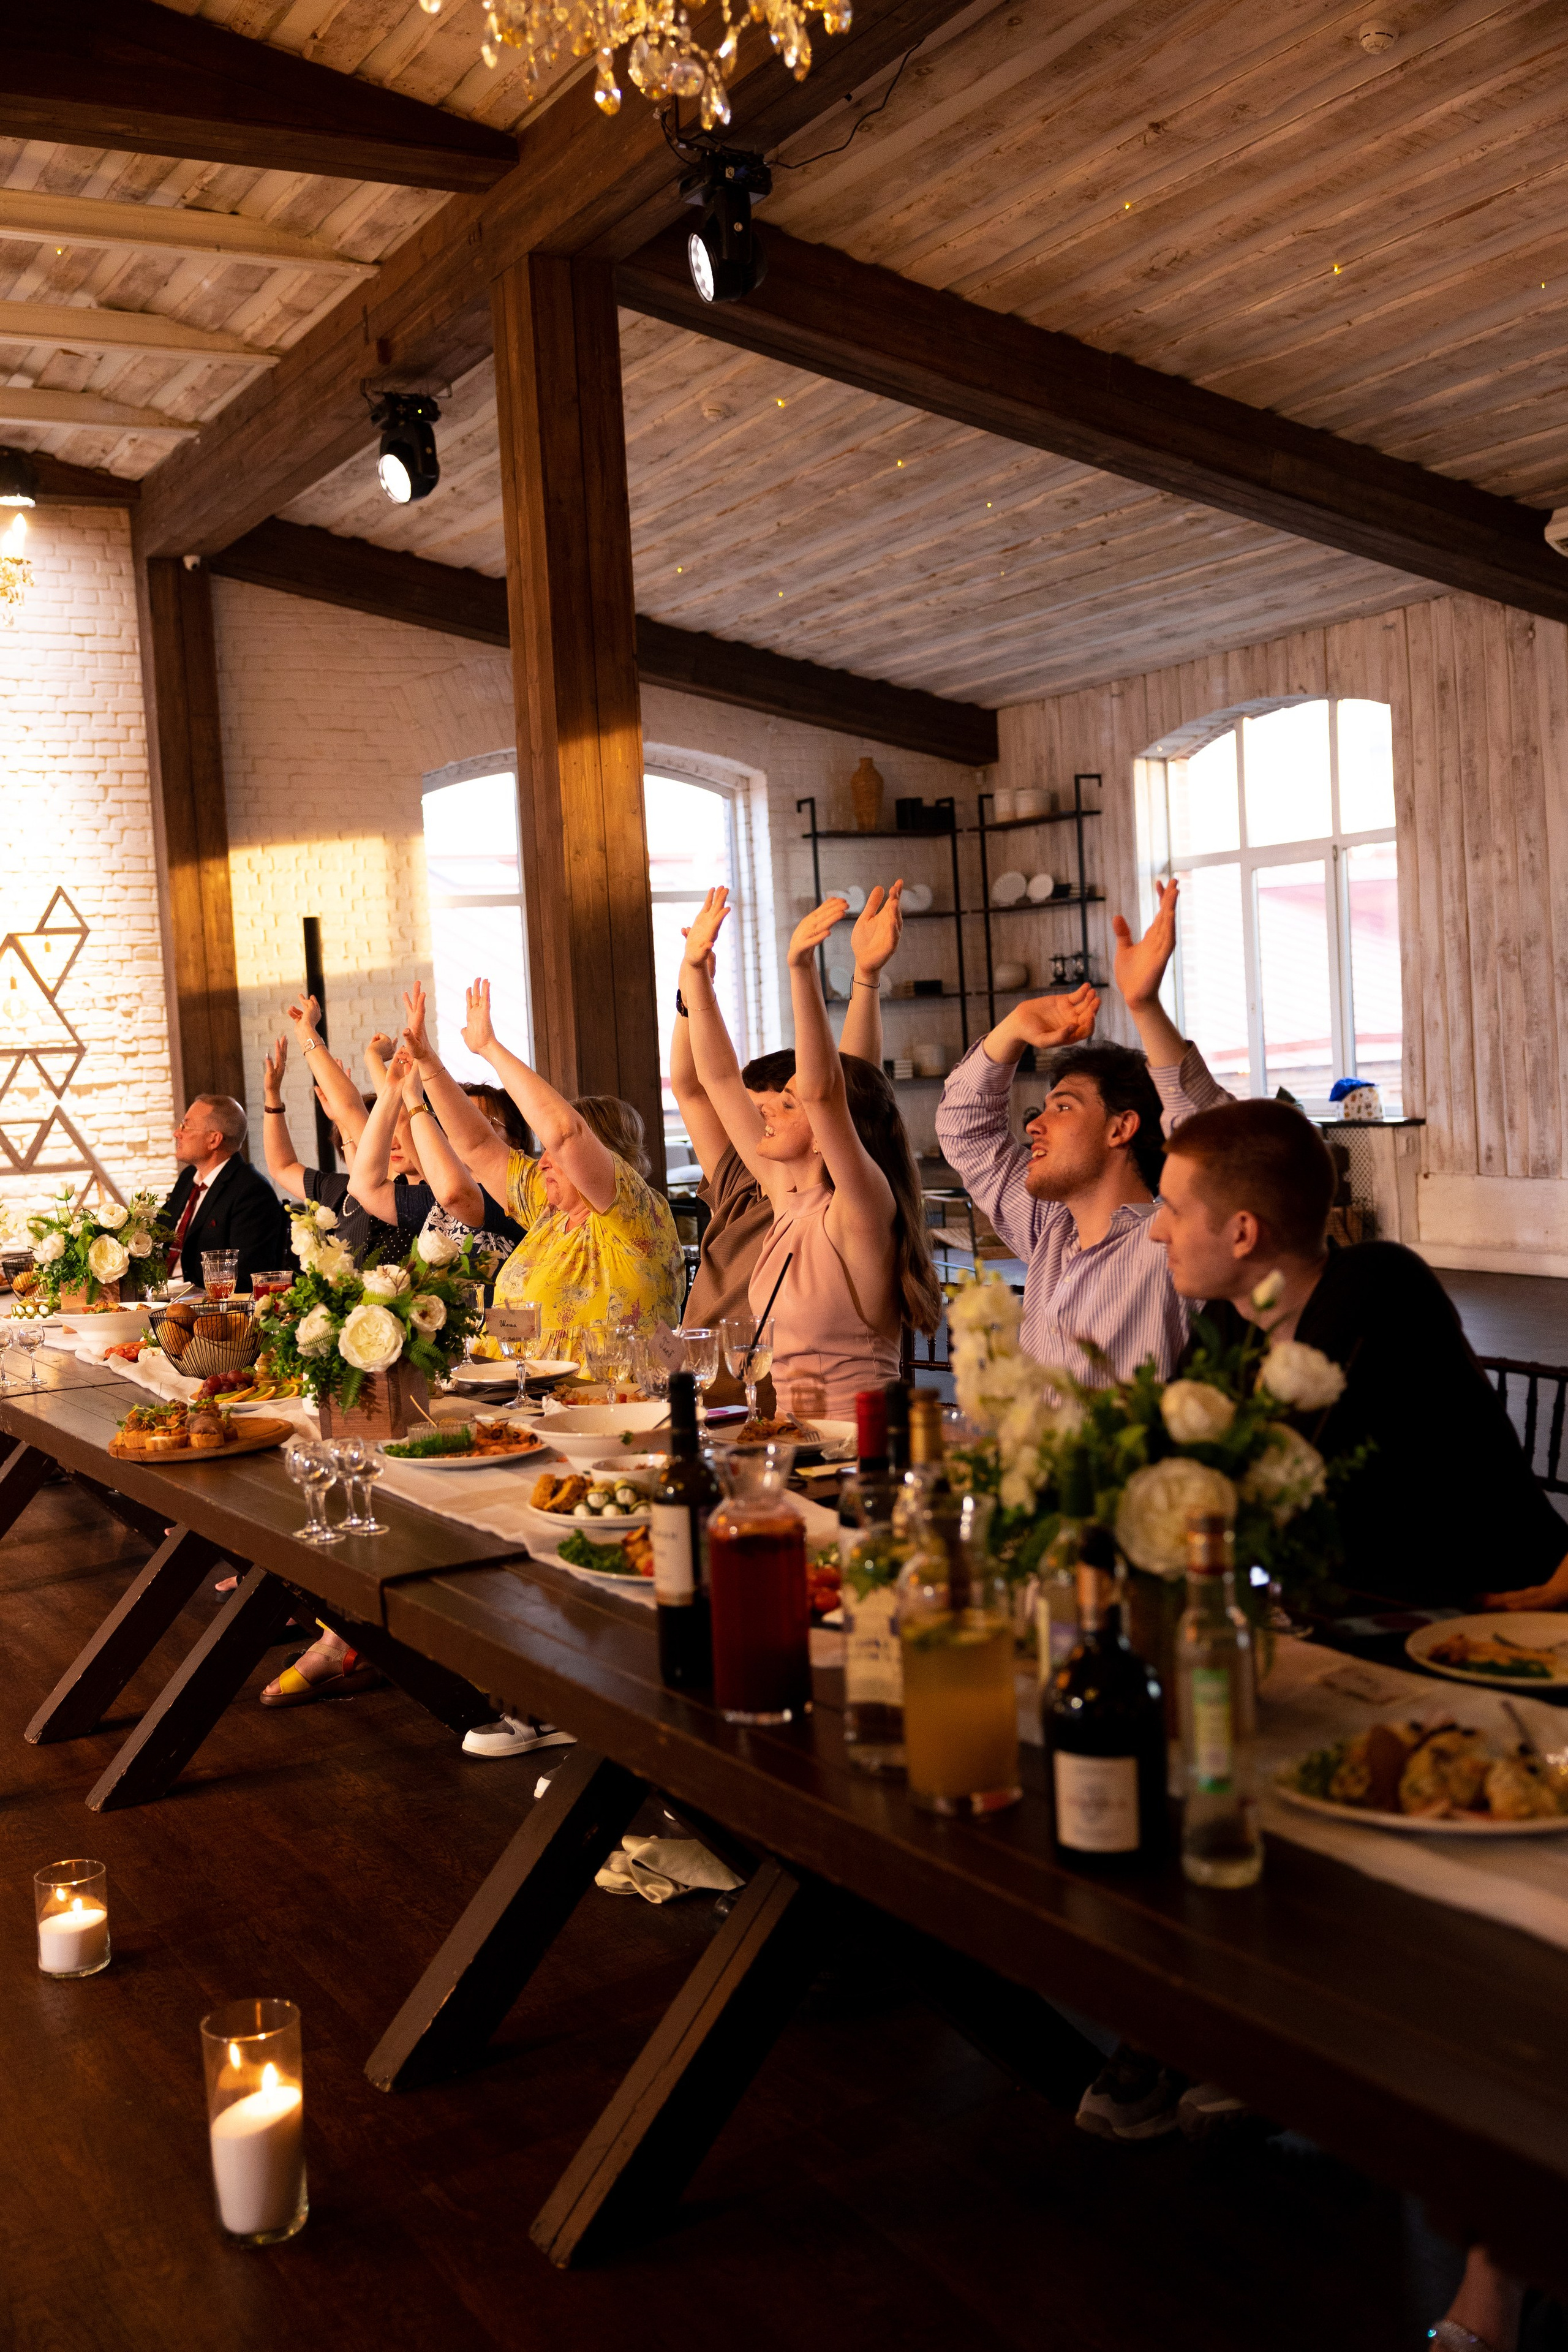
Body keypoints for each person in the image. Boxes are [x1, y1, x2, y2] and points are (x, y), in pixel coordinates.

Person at [1119, 882, 1568, 1611]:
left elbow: (1261, 1492)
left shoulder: (1379, 1287)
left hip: (1497, 1630)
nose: (1157, 1227)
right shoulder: (1232, 1316)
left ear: (1243, 1232)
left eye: (1170, 1208)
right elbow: (1169, 1474)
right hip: (1354, 1620)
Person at [680, 887, 941, 1417]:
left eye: (787, 1105)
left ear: (826, 1129)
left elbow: (827, 1089)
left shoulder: (859, 1208)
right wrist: (693, 976)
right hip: (788, 1440)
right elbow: (717, 1076)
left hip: (858, 1448)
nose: (767, 1112)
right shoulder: (785, 1196)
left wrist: (801, 966)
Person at [934, 957, 1192, 1385]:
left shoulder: (1170, 1244)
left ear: (1121, 1127)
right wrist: (1014, 1028)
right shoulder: (1049, 1230)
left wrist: (1145, 1007)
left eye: (1064, 1107)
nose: (1034, 1125)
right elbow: (966, 1131)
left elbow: (1214, 1146)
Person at [399, 977, 684, 1360]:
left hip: (605, 1402)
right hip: (519, 1393)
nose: (544, 1160)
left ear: (604, 1156)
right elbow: (478, 1145)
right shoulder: (550, 1208)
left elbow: (566, 1133)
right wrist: (428, 1062)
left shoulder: (631, 1216)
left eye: (555, 1154)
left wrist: (489, 1048)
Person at [260, 1033, 402, 1265]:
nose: (393, 1143)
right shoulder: (336, 1189)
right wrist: (272, 1095)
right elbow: (282, 1167)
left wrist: (345, 1118)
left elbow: (354, 1115)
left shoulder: (403, 1191)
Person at [162, 1095, 288, 1291]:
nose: (177, 1133)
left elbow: (248, 1276)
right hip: (163, 1297)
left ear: (214, 1139)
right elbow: (160, 1232)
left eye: (186, 1126)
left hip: (208, 1307)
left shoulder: (252, 1192)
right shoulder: (188, 1179)